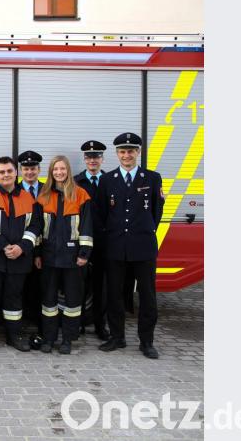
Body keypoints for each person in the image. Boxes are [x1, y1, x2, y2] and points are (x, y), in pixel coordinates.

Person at [96, 132, 163, 359]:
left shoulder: (152, 178)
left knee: (147, 296)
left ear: (138, 152)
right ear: (117, 154)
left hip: (143, 247)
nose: (127, 155)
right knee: (114, 295)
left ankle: (147, 341)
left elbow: (156, 212)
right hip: (115, 247)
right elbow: (103, 214)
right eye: (122, 151)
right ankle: (117, 337)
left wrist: (142, 230)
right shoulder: (107, 180)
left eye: (131, 151)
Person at [0, 156, 42, 355]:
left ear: (16, 173)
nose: (6, 175)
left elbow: (36, 225)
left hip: (19, 260)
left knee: (14, 300)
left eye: (9, 171)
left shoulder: (30, 200)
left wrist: (21, 247)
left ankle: (14, 336)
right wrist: (4, 246)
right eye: (2, 172)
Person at [34, 156, 93, 354]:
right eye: (55, 169)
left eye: (62, 169)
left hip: (72, 257)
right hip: (49, 257)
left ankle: (67, 339)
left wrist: (84, 253)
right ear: (51, 172)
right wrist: (37, 254)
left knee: (73, 302)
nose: (59, 172)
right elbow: (38, 229)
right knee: (48, 301)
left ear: (68, 171)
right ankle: (49, 339)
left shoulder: (81, 195)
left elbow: (86, 227)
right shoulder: (43, 196)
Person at [73, 141, 110, 341]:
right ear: (85, 159)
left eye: (96, 157)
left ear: (102, 159)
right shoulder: (76, 182)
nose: (92, 160)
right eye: (89, 157)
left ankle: (100, 326)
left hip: (104, 243)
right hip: (81, 242)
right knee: (79, 285)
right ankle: (77, 324)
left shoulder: (110, 180)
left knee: (101, 286)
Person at [17, 150, 46, 346]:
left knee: (38, 287)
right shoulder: (13, 190)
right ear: (21, 170)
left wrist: (38, 252)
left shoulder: (48, 190)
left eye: (33, 168)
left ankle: (36, 321)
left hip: (41, 248)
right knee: (18, 288)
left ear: (38, 169)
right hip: (18, 249)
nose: (29, 172)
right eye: (26, 168)